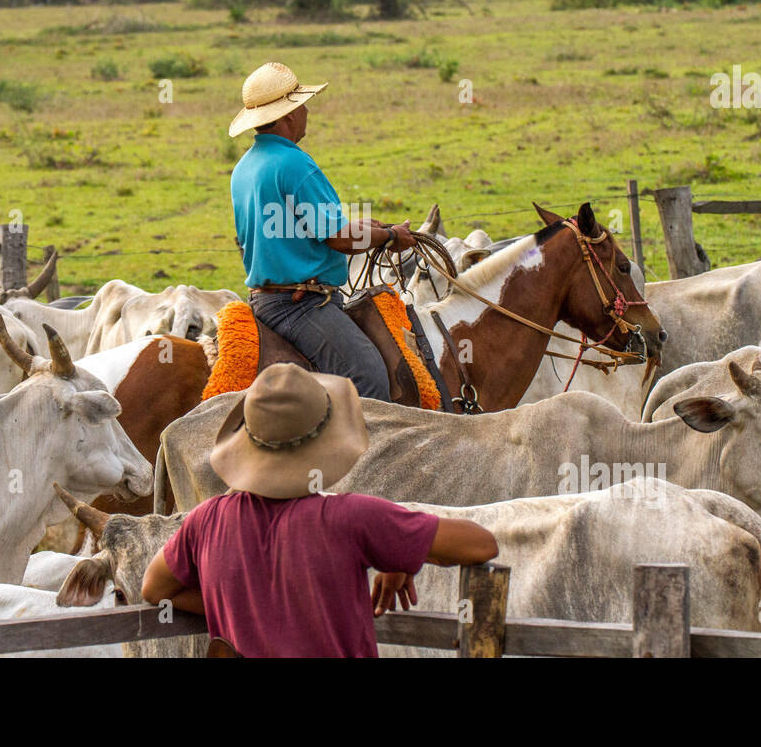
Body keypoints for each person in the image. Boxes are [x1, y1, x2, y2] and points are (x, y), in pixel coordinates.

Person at [141, 363, 499, 658]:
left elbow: (155, 589)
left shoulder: (206, 521)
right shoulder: (352, 517)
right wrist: (402, 552)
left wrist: (246, 611)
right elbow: (482, 544)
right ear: (325, 442)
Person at [228, 62, 414, 402]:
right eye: (301, 105)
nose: (307, 111)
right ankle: (370, 457)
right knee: (369, 376)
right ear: (288, 116)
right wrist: (390, 238)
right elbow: (338, 238)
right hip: (300, 306)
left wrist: (368, 227)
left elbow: (293, 228)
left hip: (264, 300)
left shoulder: (244, 168)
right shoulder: (295, 163)